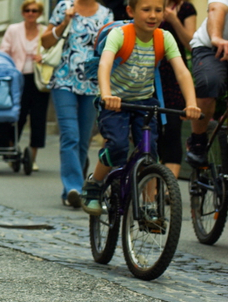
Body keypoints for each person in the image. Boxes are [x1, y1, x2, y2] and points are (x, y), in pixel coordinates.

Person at [81, 0, 201, 215]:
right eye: (146, 10)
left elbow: (181, 72)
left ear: (164, 13)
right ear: (131, 11)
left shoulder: (164, 38)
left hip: (144, 102)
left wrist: (191, 103)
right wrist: (107, 94)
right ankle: (95, 184)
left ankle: (148, 205)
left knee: (149, 153)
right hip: (115, 102)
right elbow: (105, 64)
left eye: (158, 10)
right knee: (117, 146)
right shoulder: (121, 35)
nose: (152, 15)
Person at [41, 0, 112, 208]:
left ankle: (74, 189)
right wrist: (64, 22)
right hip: (64, 81)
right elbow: (45, 42)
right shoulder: (65, 6)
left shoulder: (106, 15)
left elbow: (111, 48)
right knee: (70, 135)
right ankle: (73, 187)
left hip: (92, 85)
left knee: (82, 140)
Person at [0, 0, 50, 172]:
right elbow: (4, 51)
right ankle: (11, 149)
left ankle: (32, 157)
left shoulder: (45, 31)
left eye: (34, 11)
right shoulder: (13, 30)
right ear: (23, 13)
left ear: (39, 13)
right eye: (27, 10)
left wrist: (44, 58)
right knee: (17, 116)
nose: (31, 13)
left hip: (38, 81)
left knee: (38, 118)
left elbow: (53, 51)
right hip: (17, 79)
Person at [184, 0, 228, 168]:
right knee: (210, 83)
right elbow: (217, 8)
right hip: (211, 46)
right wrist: (216, 37)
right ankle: (198, 141)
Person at [156, 0, 197, 178]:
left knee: (173, 129)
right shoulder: (149, 6)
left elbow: (191, 44)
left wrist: (174, 20)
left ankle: (168, 187)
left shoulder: (186, 8)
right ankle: (151, 184)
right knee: (151, 130)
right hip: (149, 72)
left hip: (173, 73)